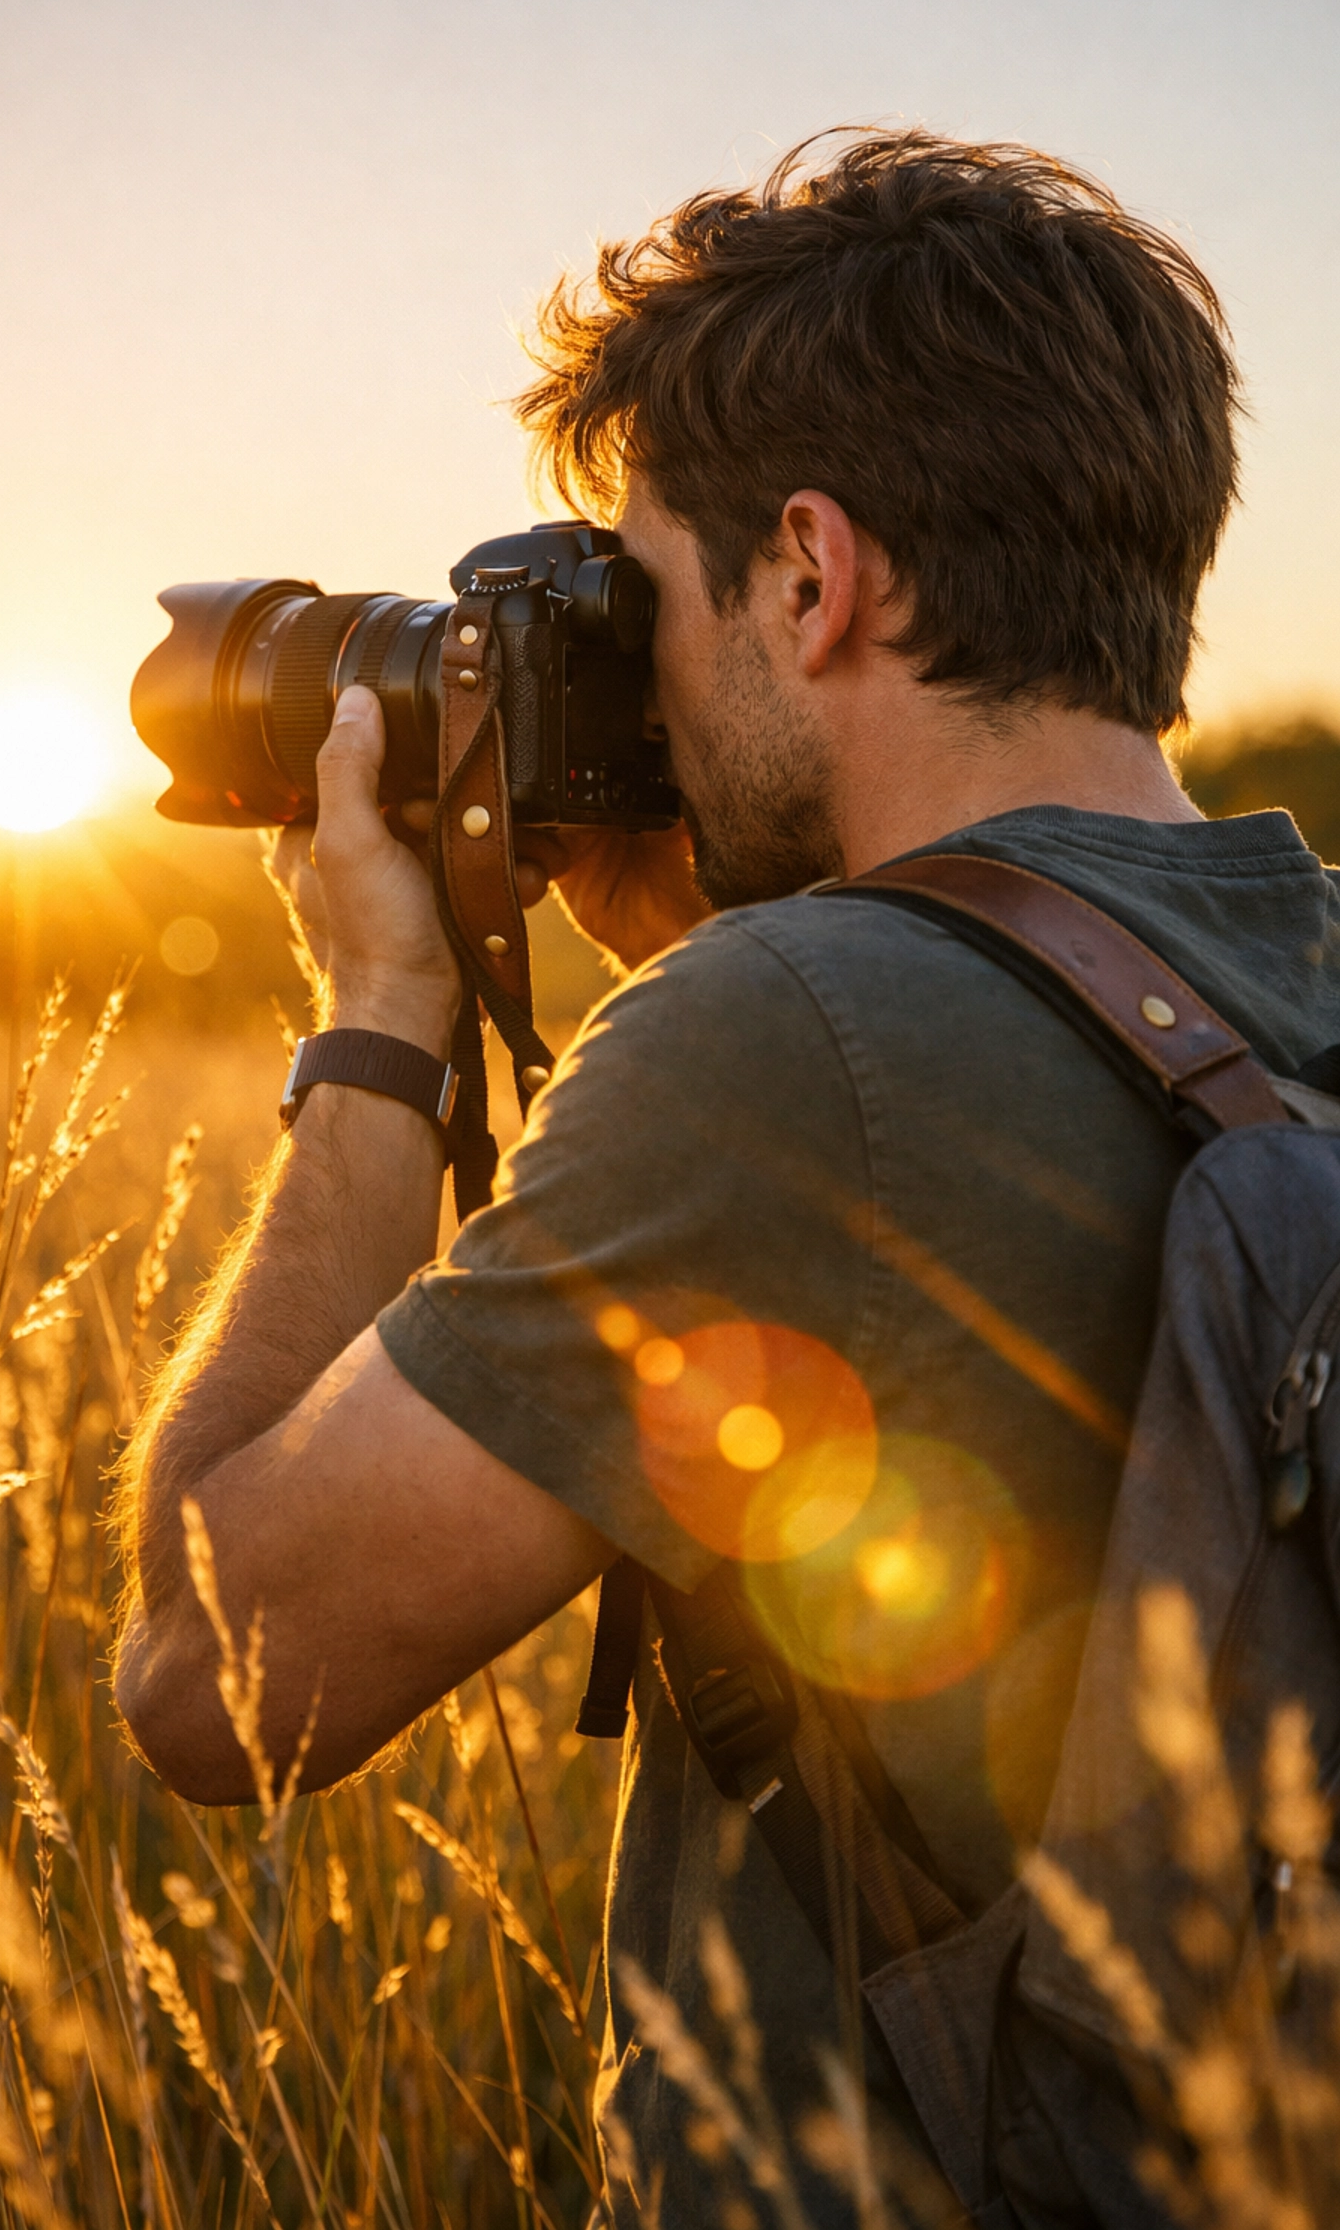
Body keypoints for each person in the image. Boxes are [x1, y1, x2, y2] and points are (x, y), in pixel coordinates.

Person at [113, 130, 1340, 2221]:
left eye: (635, 597)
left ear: (811, 572)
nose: (633, 677)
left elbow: (224, 1677)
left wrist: (380, 1016)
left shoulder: (795, 1044)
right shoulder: (1289, 957)